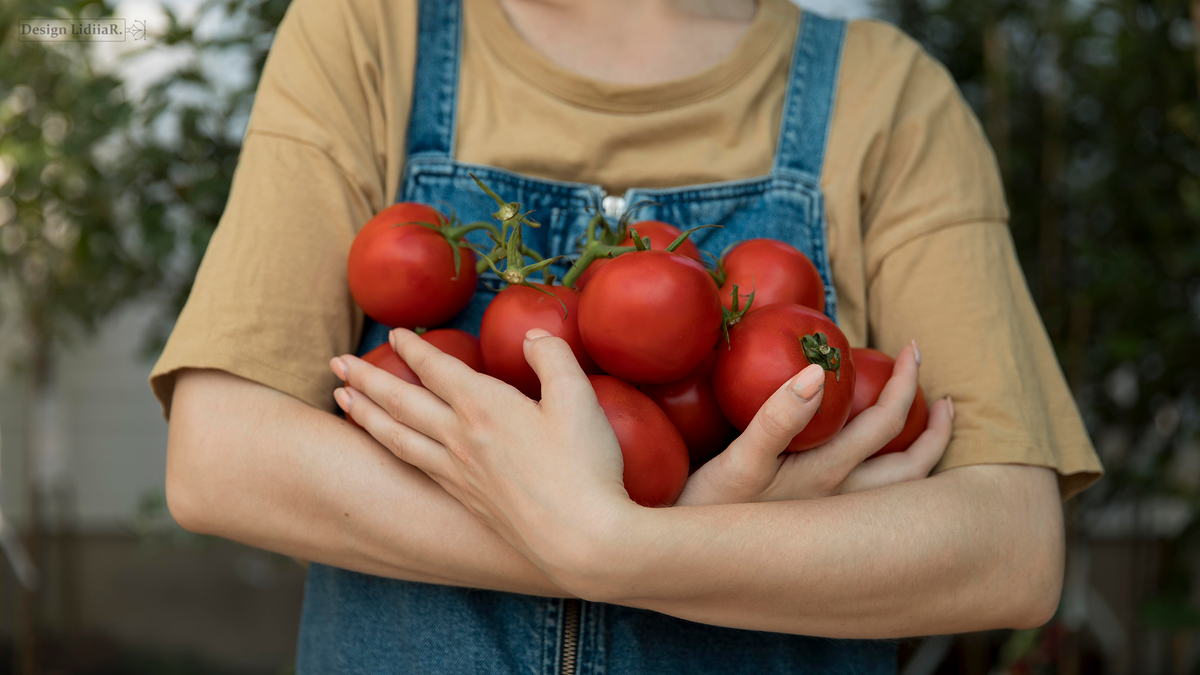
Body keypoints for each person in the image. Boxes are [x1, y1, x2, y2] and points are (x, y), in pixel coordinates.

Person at [151, 0, 1103, 671]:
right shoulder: (369, 33)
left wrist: (622, 547)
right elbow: (222, 454)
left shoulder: (888, 97)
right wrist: (624, 533)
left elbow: (1009, 550)